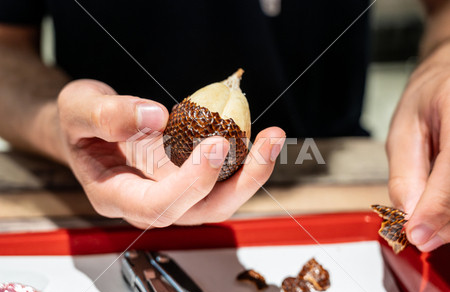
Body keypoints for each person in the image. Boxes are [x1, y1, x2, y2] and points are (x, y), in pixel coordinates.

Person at [0, 1, 448, 252]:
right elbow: (7, 49)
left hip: (333, 170)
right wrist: (63, 129)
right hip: (89, 193)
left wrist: (441, 62)